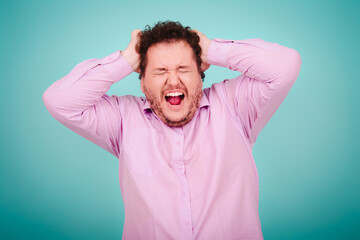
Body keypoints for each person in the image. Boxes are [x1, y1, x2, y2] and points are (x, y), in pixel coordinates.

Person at [43, 20, 302, 240]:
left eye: (182, 68)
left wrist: (212, 49)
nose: (173, 80)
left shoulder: (235, 106)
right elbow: (59, 101)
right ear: (142, 82)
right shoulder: (122, 120)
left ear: (200, 73)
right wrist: (125, 59)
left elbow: (286, 65)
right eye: (160, 71)